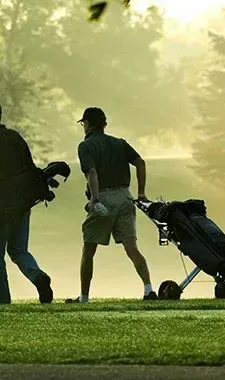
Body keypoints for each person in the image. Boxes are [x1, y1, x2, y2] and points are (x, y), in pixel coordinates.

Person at [66, 107, 158, 302]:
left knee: (88, 250)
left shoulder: (86, 146)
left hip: (104, 199)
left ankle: (83, 298)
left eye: (84, 123)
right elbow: (140, 162)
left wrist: (95, 199)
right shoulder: (119, 143)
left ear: (88, 124)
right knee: (132, 248)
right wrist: (141, 193)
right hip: (125, 197)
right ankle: (149, 290)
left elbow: (91, 173)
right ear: (104, 124)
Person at [0, 98, 53, 305]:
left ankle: (4, 304)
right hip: (22, 203)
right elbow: (30, 171)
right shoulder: (16, 138)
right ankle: (38, 277)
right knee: (18, 250)